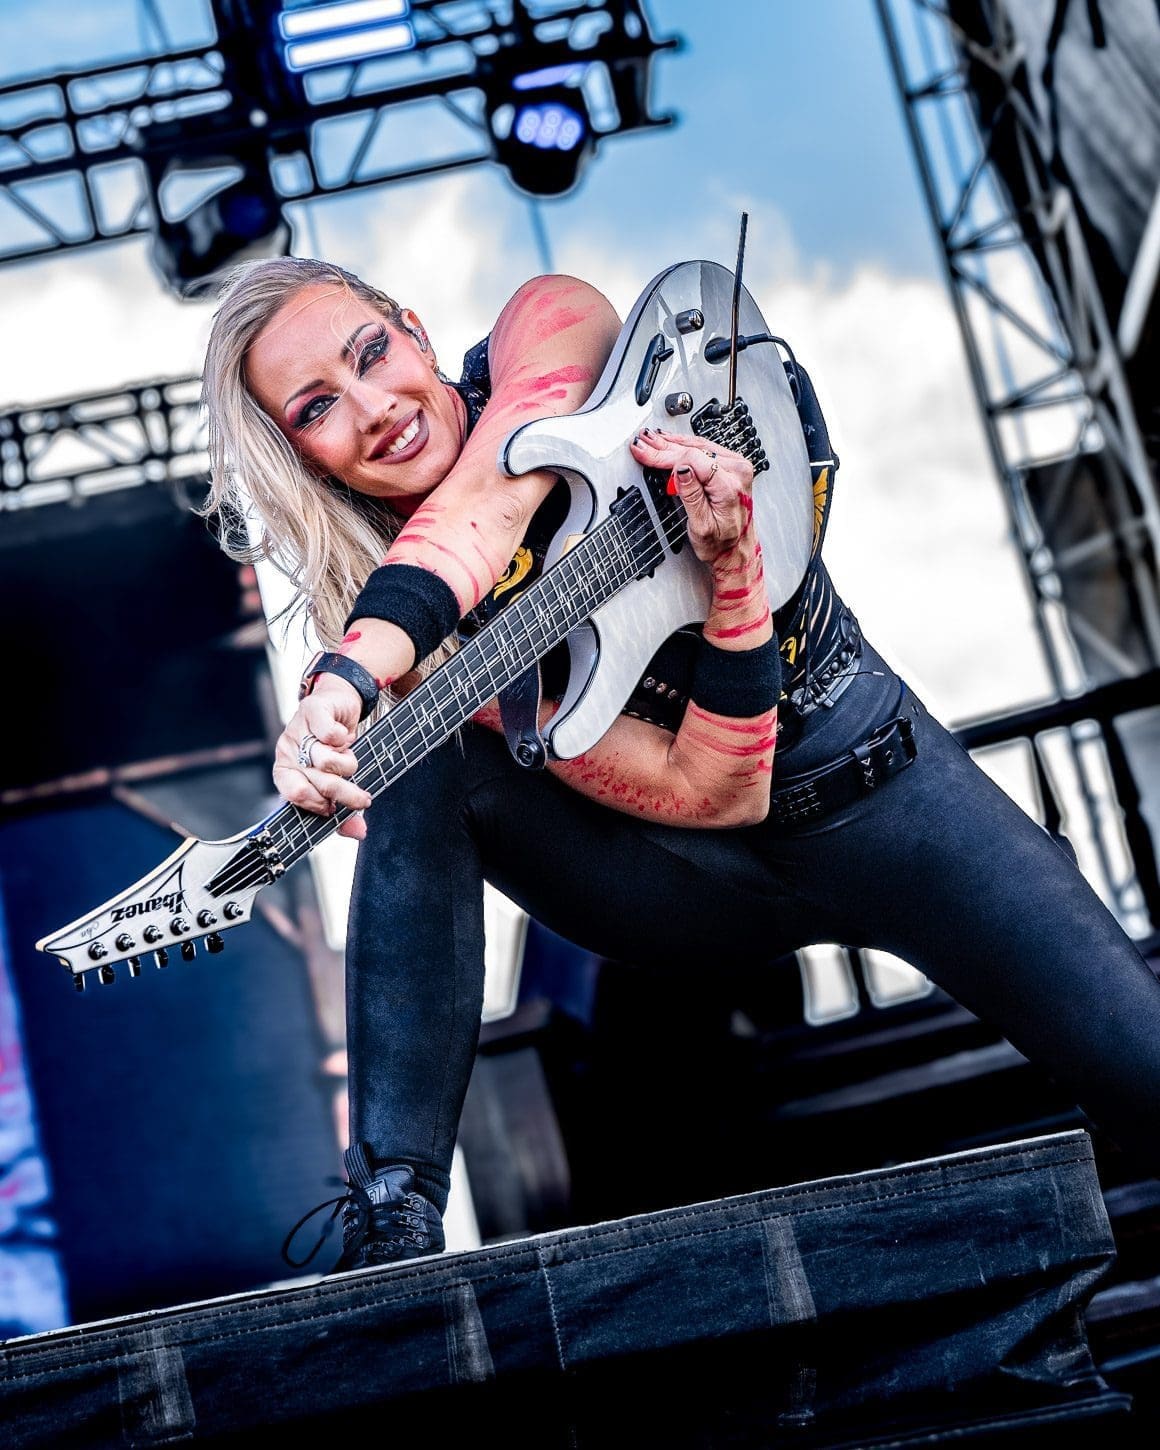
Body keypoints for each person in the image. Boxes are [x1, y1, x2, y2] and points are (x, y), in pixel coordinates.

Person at [199, 254, 1160, 1275]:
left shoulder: (550, 326)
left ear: (416, 327)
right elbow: (711, 787)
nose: (372, 407)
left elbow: (482, 505)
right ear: (308, 463)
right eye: (316, 410)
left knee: (1140, 1067)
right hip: (695, 869)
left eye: (370, 354)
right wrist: (361, 693)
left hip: (884, 794)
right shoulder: (427, 661)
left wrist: (735, 579)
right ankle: (391, 1219)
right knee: (413, 756)